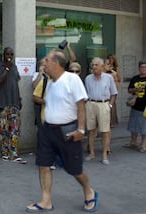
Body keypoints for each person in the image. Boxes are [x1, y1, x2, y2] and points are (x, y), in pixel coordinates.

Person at [26, 50, 98, 213]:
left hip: (68, 131)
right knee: (43, 165)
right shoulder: (50, 82)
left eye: (46, 61)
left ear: (56, 63)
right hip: (47, 130)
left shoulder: (72, 79)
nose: (43, 64)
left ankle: (88, 190)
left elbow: (81, 106)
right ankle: (46, 200)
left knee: (75, 169)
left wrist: (81, 129)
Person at [0, 47, 26, 163]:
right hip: (2, 103)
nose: (9, 56)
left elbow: (15, 83)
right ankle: (5, 153)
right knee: (3, 130)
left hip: (14, 103)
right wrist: (6, 69)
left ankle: (14, 153)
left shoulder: (15, 67)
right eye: (7, 54)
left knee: (15, 129)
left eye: (11, 54)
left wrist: (20, 99)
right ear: (3, 55)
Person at [84, 57, 118, 165]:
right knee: (91, 130)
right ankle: (92, 153)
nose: (94, 67)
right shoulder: (88, 78)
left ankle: (104, 155)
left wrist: (110, 106)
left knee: (105, 131)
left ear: (102, 66)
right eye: (93, 65)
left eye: (96, 65)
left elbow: (114, 93)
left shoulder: (109, 78)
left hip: (104, 104)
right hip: (90, 104)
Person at [124, 61, 146, 153]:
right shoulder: (135, 78)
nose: (143, 69)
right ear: (139, 68)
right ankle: (133, 142)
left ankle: (143, 145)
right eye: (142, 67)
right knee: (133, 125)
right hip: (136, 106)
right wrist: (136, 89)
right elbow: (129, 90)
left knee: (145, 127)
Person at [104, 57, 120, 128]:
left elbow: (116, 89)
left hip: (109, 99)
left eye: (111, 65)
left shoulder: (113, 74)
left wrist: (111, 103)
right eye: (108, 64)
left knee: (109, 122)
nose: (110, 66)